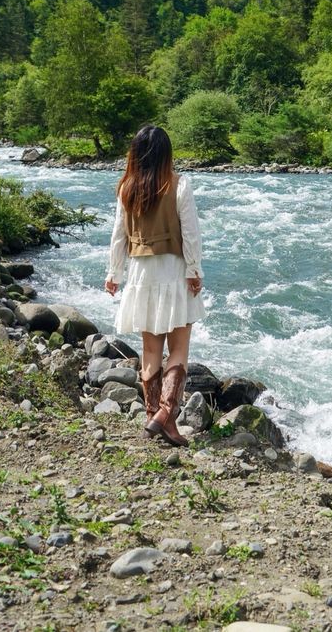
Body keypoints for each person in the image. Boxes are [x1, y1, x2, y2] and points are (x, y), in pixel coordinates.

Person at [105, 124, 205, 447]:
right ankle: (164, 415)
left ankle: (158, 419)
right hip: (173, 271)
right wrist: (194, 269)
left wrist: (114, 274)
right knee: (179, 349)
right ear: (166, 155)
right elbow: (190, 233)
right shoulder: (179, 185)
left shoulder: (126, 188)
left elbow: (118, 236)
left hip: (140, 276)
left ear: (135, 154)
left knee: (150, 352)